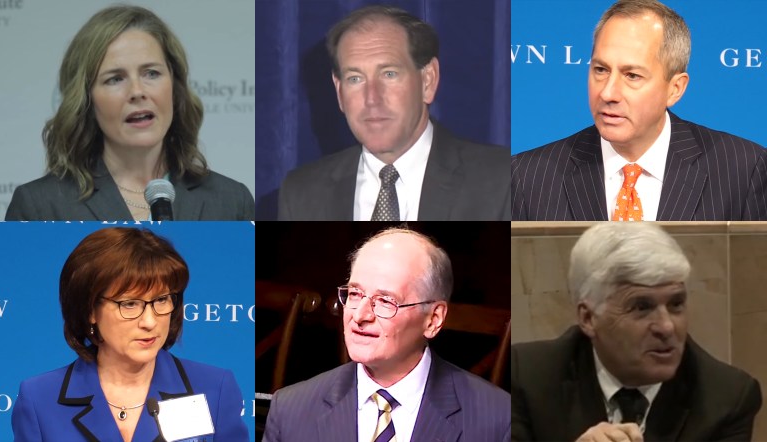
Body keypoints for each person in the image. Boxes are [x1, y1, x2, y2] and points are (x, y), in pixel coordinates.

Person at [511, 0, 767, 221]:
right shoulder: (527, 177)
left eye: (632, 75)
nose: (608, 93)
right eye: (600, 70)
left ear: (675, 89)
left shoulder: (743, 169)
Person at [511, 223, 762, 441]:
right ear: (588, 318)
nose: (666, 327)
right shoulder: (527, 378)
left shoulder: (727, 398)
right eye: (642, 307)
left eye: (676, 304)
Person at [5, 5, 255, 221]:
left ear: (174, 86)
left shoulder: (232, 202)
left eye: (151, 73)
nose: (137, 91)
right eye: (115, 79)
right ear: (86, 99)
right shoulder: (39, 207)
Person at [263, 228, 510, 441]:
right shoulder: (290, 411)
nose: (360, 315)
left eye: (385, 301)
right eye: (355, 294)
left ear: (433, 319)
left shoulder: (499, 420)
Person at [11, 228, 250, 441]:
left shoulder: (214, 388)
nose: (150, 322)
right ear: (90, 310)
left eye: (161, 300)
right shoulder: (39, 399)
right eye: (130, 304)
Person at [277, 5, 511, 221]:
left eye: (389, 74)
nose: (372, 98)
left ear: (428, 81)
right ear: (339, 92)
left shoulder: (505, 181)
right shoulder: (301, 194)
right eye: (355, 79)